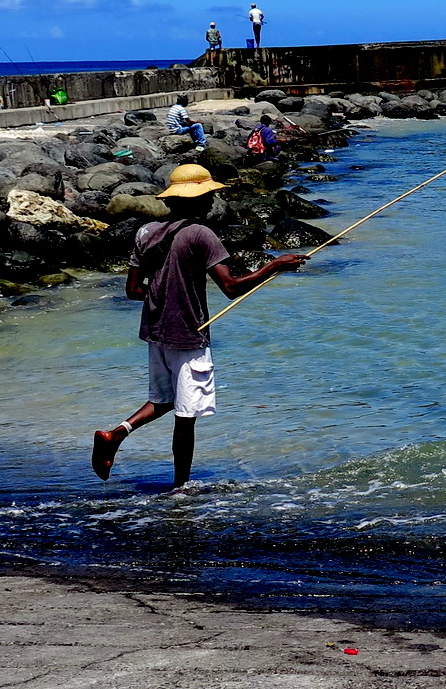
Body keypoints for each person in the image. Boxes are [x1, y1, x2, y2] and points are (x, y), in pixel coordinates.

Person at [90, 164, 307, 488]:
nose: (211, 201)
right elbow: (231, 287)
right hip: (188, 334)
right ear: (195, 199)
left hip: (155, 330)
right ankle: (181, 488)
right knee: (186, 415)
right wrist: (275, 265)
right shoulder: (201, 234)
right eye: (207, 195)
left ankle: (115, 434)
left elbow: (133, 291)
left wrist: (164, 292)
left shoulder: (146, 232)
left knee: (163, 399)